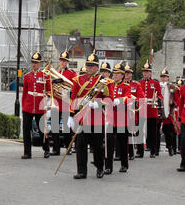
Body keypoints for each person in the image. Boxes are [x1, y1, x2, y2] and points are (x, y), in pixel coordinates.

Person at [68, 51, 114, 179]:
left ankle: (100, 167)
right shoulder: (78, 80)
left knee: (97, 146)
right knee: (80, 145)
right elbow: (74, 98)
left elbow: (109, 99)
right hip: (82, 118)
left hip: (96, 119)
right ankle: (82, 171)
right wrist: (71, 115)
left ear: (97, 67)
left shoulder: (104, 81)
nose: (89, 68)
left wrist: (98, 104)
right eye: (88, 65)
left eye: (92, 66)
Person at [21, 51, 51, 159]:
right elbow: (24, 93)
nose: (34, 64)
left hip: (40, 107)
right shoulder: (27, 76)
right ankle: (27, 152)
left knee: (43, 129)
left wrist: (47, 97)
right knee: (26, 130)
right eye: (33, 62)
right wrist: (23, 106)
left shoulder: (45, 76)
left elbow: (49, 90)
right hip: (28, 106)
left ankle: (46, 149)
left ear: (40, 64)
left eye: (36, 62)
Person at [105, 61, 131, 174]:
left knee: (122, 143)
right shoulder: (109, 85)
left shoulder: (126, 86)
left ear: (122, 75)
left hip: (121, 118)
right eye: (114, 73)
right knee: (109, 143)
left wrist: (119, 100)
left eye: (117, 73)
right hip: (110, 117)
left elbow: (129, 97)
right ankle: (108, 166)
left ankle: (124, 164)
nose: (114, 75)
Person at [50, 50, 77, 156]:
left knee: (66, 127)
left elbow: (74, 86)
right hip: (56, 103)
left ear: (67, 62)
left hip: (66, 103)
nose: (62, 63)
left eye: (64, 61)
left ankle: (68, 147)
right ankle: (56, 149)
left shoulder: (71, 73)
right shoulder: (55, 72)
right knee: (55, 127)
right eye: (61, 60)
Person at [139, 60, 163, 158]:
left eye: (147, 71)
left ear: (150, 72)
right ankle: (140, 151)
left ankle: (153, 150)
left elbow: (160, 95)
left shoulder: (155, 83)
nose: (145, 73)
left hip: (152, 110)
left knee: (152, 132)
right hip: (141, 109)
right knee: (140, 131)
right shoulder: (139, 83)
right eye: (144, 71)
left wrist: (157, 98)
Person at [123, 63, 144, 160]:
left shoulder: (136, 84)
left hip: (133, 110)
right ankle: (121, 153)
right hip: (121, 110)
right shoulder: (120, 84)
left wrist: (135, 103)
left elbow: (141, 97)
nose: (126, 75)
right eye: (125, 73)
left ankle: (132, 153)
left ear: (131, 74)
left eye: (128, 73)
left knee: (133, 131)